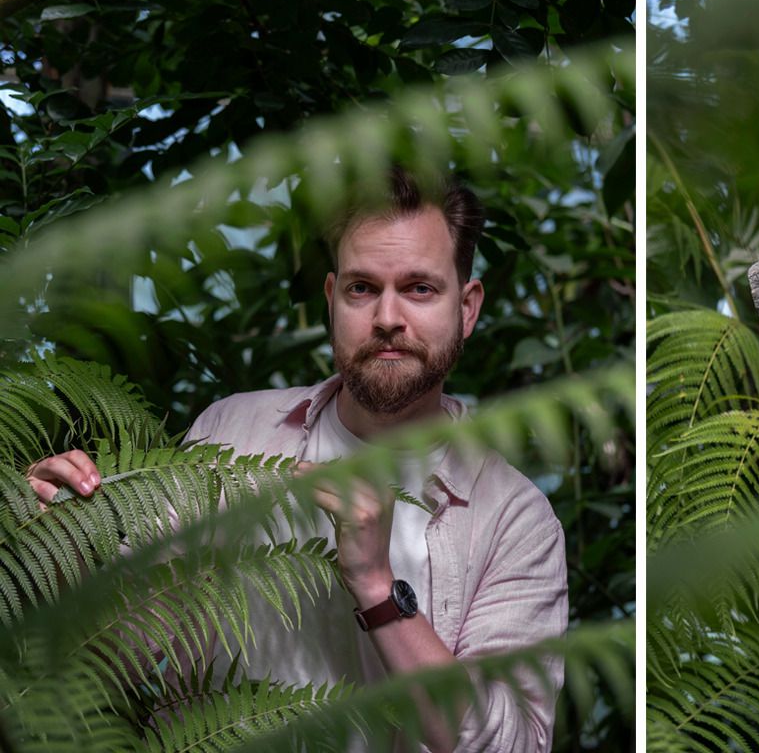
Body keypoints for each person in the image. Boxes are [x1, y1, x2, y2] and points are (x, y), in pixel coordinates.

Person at [24, 168, 568, 752]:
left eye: (419, 289)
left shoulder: (514, 519)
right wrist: (51, 544)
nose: (387, 317)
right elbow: (117, 650)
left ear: (467, 308)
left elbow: (511, 744)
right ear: (332, 299)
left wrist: (378, 586)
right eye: (363, 288)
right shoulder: (231, 432)